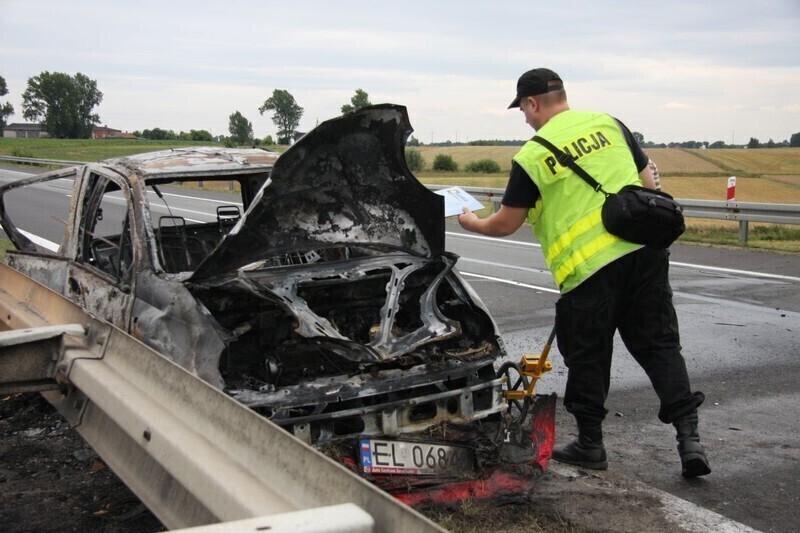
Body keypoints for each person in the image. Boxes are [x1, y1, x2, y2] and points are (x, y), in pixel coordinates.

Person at [457, 68, 710, 478]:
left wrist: (470, 222)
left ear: (533, 103)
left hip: (589, 271)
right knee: (660, 346)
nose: (524, 118)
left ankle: (591, 443)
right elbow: (648, 184)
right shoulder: (610, 124)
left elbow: (504, 224)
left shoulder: (533, 155)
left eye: (522, 108)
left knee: (589, 357)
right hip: (644, 255)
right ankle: (689, 439)